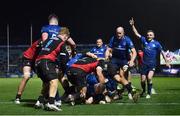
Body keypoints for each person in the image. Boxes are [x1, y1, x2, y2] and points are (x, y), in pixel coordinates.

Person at [129, 17, 171, 99]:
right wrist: (132, 25)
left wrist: (167, 61)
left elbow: (162, 52)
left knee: (149, 78)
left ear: (153, 36)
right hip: (144, 64)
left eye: (150, 35)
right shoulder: (144, 40)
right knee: (142, 80)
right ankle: (143, 91)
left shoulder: (157, 44)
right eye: (148, 35)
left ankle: (149, 93)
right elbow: (136, 34)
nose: (149, 36)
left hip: (152, 64)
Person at [35, 27, 70, 111]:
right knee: (54, 81)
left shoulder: (48, 39)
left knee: (47, 83)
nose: (66, 40)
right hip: (46, 61)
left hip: (38, 62)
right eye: (67, 38)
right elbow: (63, 59)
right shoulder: (61, 43)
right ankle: (50, 103)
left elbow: (40, 48)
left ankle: (39, 101)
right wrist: (63, 70)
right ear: (65, 36)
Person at [105, 26, 137, 100]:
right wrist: (106, 55)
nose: (118, 35)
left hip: (124, 60)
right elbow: (108, 49)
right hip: (114, 60)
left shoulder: (127, 40)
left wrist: (132, 61)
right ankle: (130, 89)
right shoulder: (113, 38)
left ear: (123, 33)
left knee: (123, 75)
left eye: (120, 33)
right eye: (117, 33)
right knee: (115, 77)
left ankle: (127, 91)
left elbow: (134, 52)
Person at [14, 39, 41, 104]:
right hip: (28, 58)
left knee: (46, 78)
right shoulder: (42, 41)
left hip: (37, 60)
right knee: (26, 76)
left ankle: (44, 97)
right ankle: (18, 97)